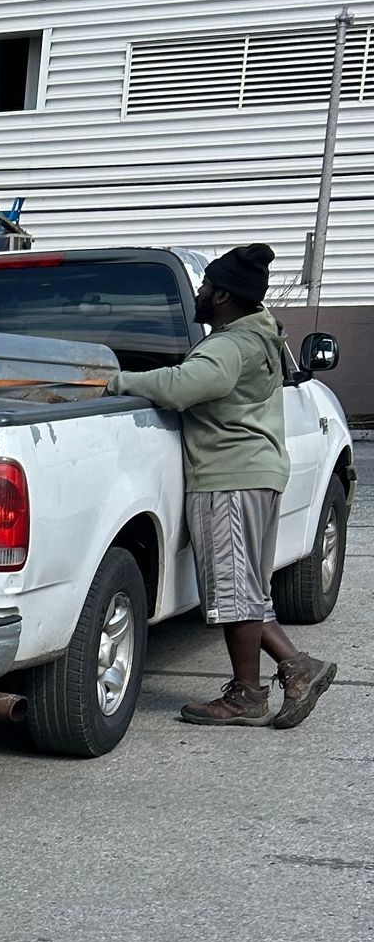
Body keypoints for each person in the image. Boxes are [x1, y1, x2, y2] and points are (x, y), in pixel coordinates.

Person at [112, 243, 335, 729]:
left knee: (235, 590)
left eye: (207, 286)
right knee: (247, 588)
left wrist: (117, 381)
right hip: (254, 475)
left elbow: (179, 386)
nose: (199, 292)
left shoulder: (229, 346)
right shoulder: (261, 335)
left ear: (222, 297)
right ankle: (291, 670)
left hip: (230, 479)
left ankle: (250, 694)